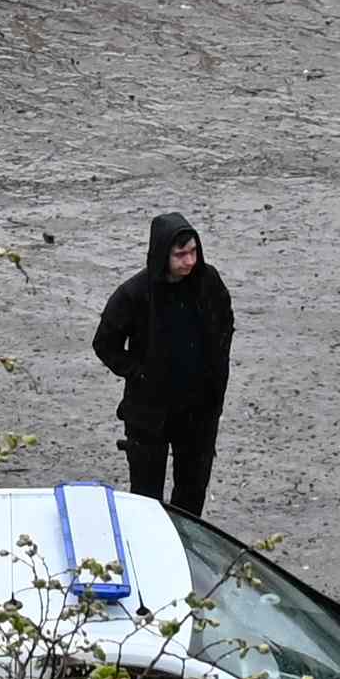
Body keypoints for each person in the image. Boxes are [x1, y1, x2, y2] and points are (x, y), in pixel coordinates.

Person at [94, 211, 234, 519]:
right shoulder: (133, 294)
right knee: (146, 498)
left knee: (192, 493)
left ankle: (185, 548)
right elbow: (104, 343)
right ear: (162, 254)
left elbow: (225, 326)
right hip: (149, 413)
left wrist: (215, 379)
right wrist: (139, 371)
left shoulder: (209, 283)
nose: (189, 261)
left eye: (193, 252)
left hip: (199, 412)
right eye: (180, 254)